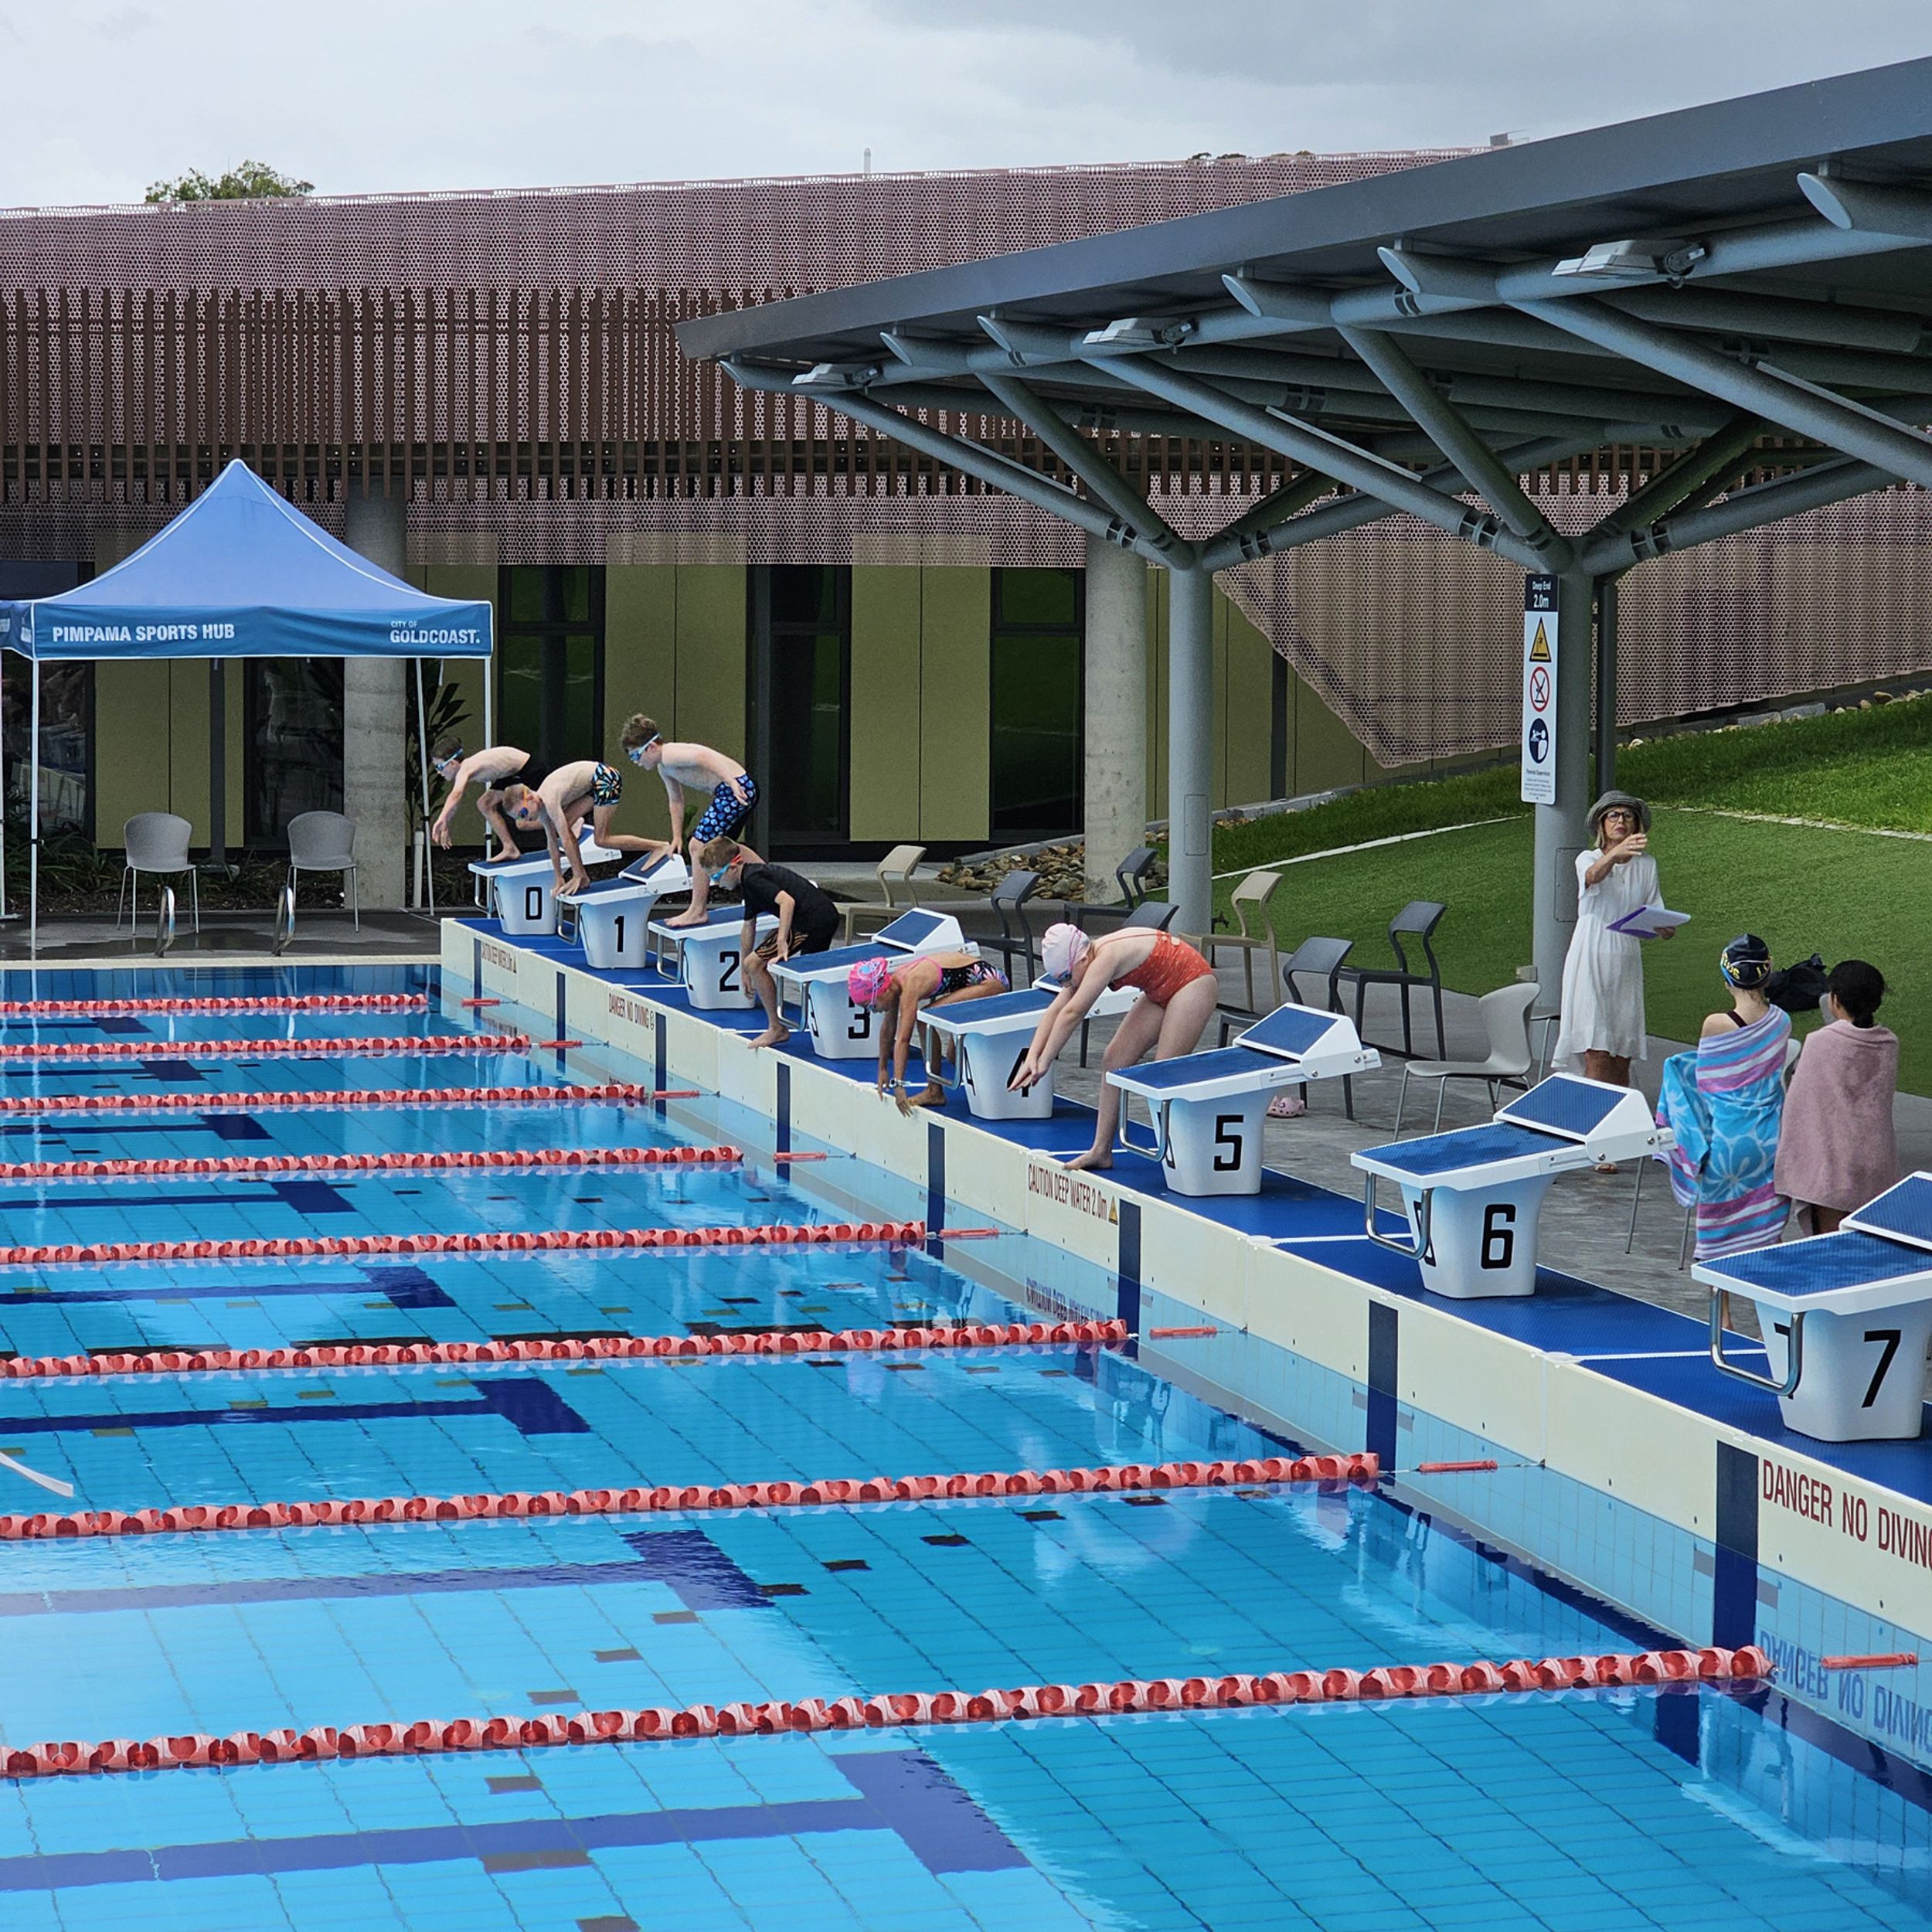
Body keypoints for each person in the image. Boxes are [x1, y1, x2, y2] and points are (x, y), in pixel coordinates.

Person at [1012, 922, 1218, 1172]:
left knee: (1164, 1072)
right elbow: (1056, 1009)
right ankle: (1101, 1151)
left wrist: (1045, 1062)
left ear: (1083, 959)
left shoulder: (1105, 957)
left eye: (1066, 978)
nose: (1066, 985)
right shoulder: (1084, 960)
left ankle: (1193, 1159)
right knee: (1114, 1060)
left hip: (1192, 982)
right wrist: (1032, 1057)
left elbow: (1073, 1013)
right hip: (1161, 990)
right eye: (1060, 981)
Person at [1656, 934, 1792, 1260]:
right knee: (1766, 1233)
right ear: (1768, 971)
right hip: (1770, 1141)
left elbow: (1707, 1082)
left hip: (1728, 1143)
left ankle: (1721, 1297)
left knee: (1717, 1244)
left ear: (1727, 977)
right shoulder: (1781, 1021)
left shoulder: (1715, 1024)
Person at [1554, 790, 1672, 1088]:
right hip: (1591, 952)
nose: (1621, 821)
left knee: (1622, 1051)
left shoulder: (1647, 865)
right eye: (1614, 816)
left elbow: (1653, 910)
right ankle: (1593, 1113)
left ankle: (1617, 1113)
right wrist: (1615, 855)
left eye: (1628, 816)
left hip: (1626, 957)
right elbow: (1592, 876)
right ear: (1602, 825)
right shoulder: (1587, 858)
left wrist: (1664, 927)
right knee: (1596, 1049)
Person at [1774, 959, 1900, 1235]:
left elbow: (1801, 1103)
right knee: (1866, 1241)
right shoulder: (1888, 1043)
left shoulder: (1821, 1042)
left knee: (1830, 1244)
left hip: (1832, 1166)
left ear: (1834, 999)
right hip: (1875, 1161)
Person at [620, 715, 758, 927]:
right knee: (725, 846)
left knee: (698, 846)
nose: (637, 763)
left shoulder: (670, 755)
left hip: (734, 789)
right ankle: (773, 880)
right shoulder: (664, 767)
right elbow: (676, 800)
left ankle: (698, 911)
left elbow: (704, 756)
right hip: (735, 788)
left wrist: (730, 781)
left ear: (651, 747)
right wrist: (677, 836)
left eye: (636, 756)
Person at [702, 837, 838, 1050]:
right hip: (818, 916)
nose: (717, 884)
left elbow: (787, 902)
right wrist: (744, 970)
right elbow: (749, 926)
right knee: (766, 966)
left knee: (756, 963)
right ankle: (826, 1025)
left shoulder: (754, 879)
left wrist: (782, 940)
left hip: (813, 921)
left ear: (734, 867)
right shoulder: (748, 879)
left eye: (717, 876)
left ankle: (776, 1028)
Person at [852, 951, 1009, 1114]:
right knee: (953, 1058)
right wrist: (882, 1069)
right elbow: (889, 1028)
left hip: (992, 983)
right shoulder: (893, 983)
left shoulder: (909, 984)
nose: (873, 1011)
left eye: (872, 1006)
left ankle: (935, 1090)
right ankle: (992, 1088)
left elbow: (903, 1039)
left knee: (924, 1019)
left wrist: (898, 1085)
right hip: (975, 983)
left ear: (884, 991)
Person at [501, 759, 669, 897]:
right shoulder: (542, 809)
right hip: (592, 785)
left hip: (606, 777)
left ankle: (659, 846)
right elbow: (552, 844)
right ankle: (583, 876)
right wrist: (558, 878)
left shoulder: (549, 799)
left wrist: (575, 875)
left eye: (523, 813)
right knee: (565, 826)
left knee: (601, 840)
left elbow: (565, 840)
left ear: (530, 798)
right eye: (520, 817)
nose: (525, 819)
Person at [428, 736, 547, 860]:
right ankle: (510, 848)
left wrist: (441, 818)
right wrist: (446, 822)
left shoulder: (466, 769)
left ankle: (557, 824)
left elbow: (456, 794)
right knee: (484, 803)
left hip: (529, 769)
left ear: (453, 763)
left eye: (440, 767)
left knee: (523, 823)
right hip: (510, 774)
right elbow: (455, 802)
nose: (438, 772)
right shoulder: (467, 767)